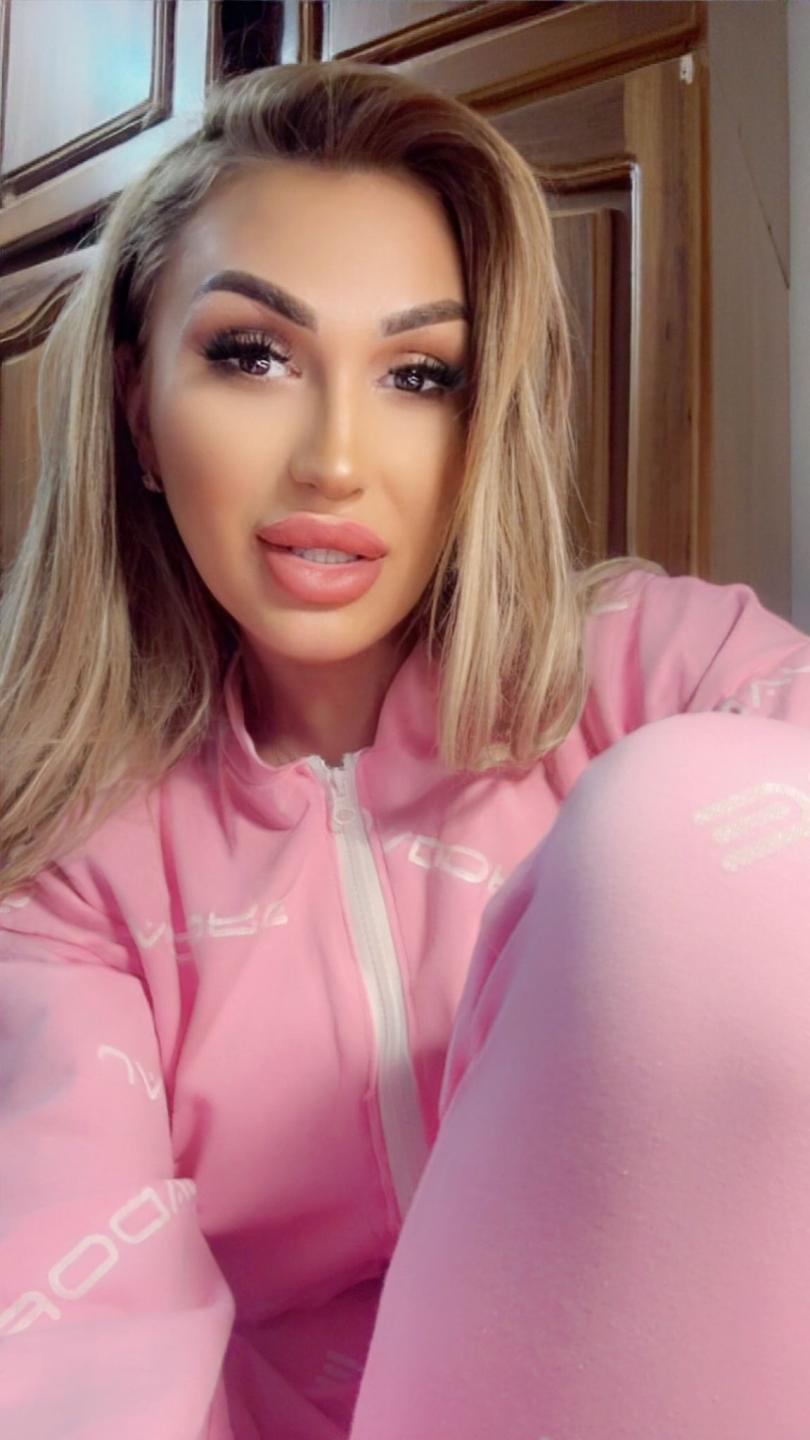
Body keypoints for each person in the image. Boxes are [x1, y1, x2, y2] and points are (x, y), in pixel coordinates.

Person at [1, 59, 809, 1440]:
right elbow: (73, 1353)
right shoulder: (69, 862)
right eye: (253, 355)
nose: (335, 459)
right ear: (136, 407)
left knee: (703, 818)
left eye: (419, 374)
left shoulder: (660, 671)